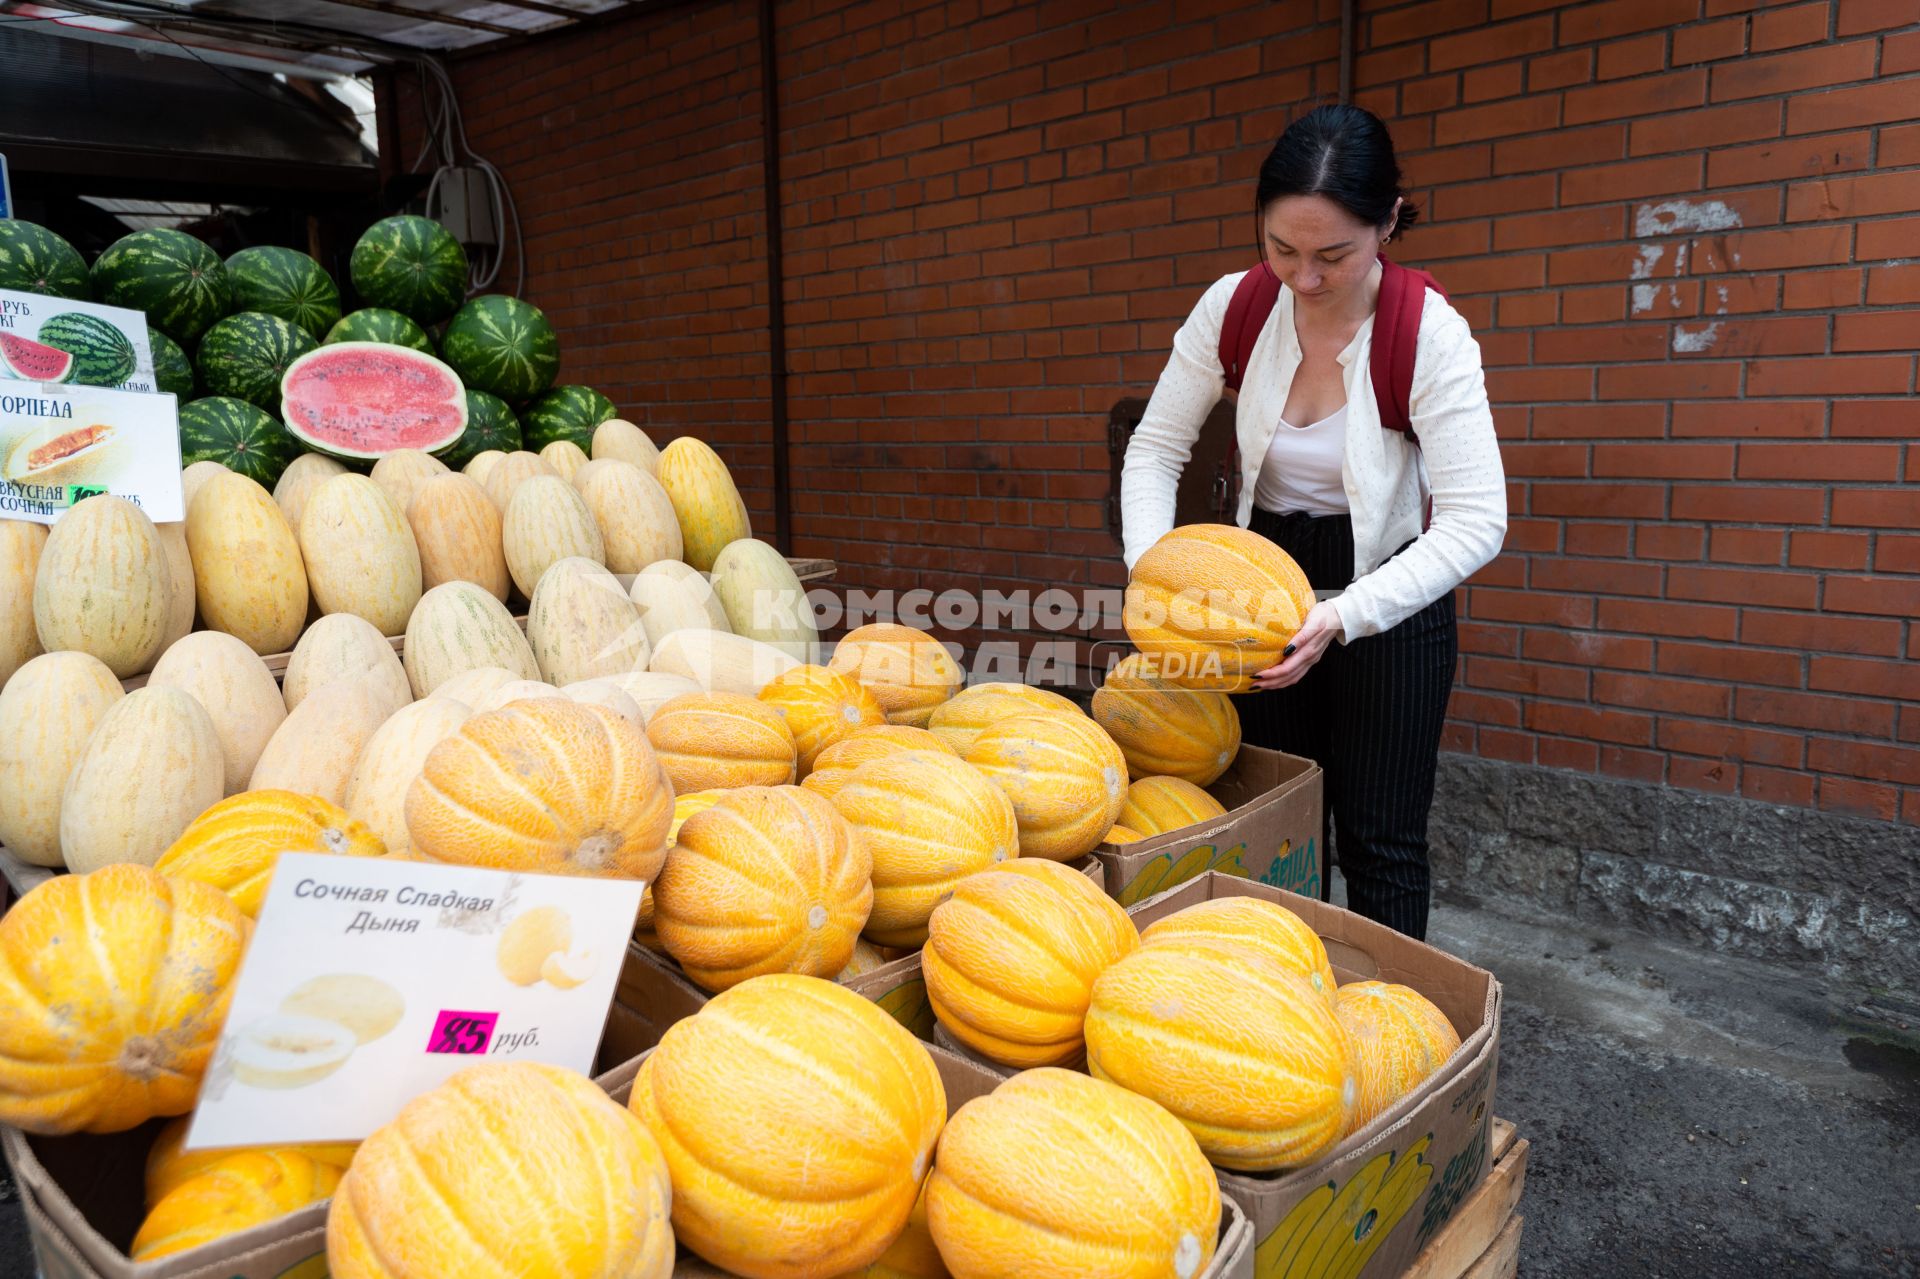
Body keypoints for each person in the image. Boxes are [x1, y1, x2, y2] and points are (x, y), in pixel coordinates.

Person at [1119, 103, 1507, 940]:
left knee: (1382, 839)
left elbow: (1478, 520)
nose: (1304, 278)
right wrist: (1161, 575)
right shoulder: (1235, 307)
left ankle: (1395, 1033)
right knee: (1275, 821)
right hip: (1258, 579)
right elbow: (1154, 449)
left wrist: (1342, 615)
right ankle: (1275, 1014)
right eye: (1281, 249)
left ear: (1390, 220)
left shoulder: (1429, 334)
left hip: (1390, 586)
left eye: (1334, 254)